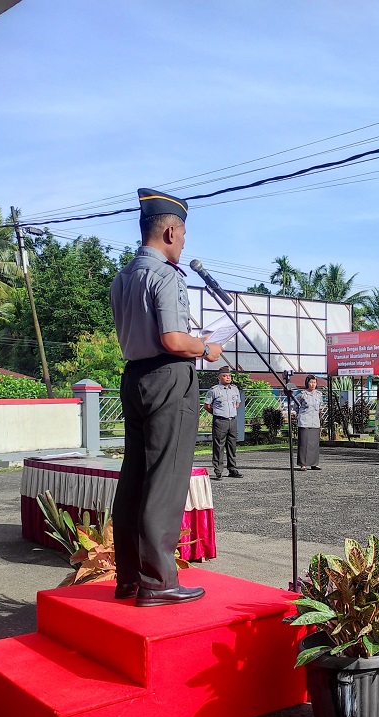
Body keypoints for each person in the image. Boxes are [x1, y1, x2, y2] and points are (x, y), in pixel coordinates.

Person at [110, 188, 221, 607]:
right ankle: (158, 581)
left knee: (135, 476)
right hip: (168, 377)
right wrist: (205, 349)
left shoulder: (123, 276)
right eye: (184, 234)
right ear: (171, 231)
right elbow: (173, 339)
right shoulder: (167, 275)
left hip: (134, 376)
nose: (184, 242)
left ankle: (129, 578)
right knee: (166, 478)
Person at [203, 368, 242, 479]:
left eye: (229, 375)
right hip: (220, 421)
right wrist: (217, 414)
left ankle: (232, 469)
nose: (228, 377)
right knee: (219, 446)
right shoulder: (214, 390)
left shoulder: (234, 389)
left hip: (232, 421)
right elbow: (207, 406)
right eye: (224, 376)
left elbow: (237, 404)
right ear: (219, 377)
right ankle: (218, 470)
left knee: (232, 446)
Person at [294, 374, 324, 470]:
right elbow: (296, 407)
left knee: (314, 443)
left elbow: (320, 407)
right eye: (311, 382)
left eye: (314, 382)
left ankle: (314, 463)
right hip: (304, 421)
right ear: (307, 383)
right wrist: (300, 415)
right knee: (304, 443)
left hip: (315, 421)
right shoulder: (302, 394)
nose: (313, 384)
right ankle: (303, 464)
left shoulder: (319, 394)